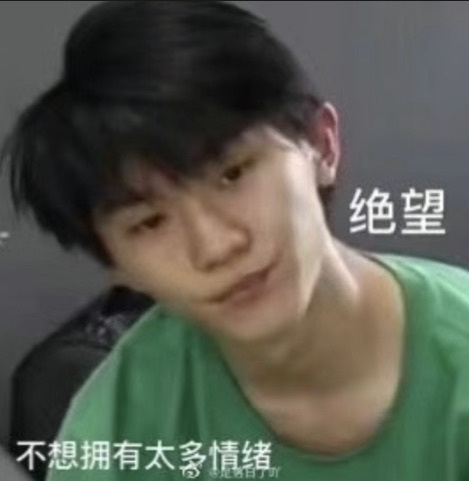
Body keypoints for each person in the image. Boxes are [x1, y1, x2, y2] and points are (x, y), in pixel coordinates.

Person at [2, 1, 469, 480]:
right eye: (150, 222)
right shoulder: (119, 424)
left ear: (321, 146)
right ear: (117, 266)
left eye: (233, 174)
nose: (216, 247)